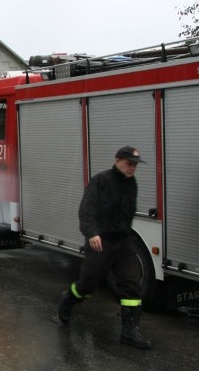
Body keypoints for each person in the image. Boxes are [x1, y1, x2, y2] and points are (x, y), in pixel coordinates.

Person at [57, 146, 153, 350]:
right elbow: (87, 209)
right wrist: (92, 233)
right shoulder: (101, 181)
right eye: (129, 163)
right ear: (117, 161)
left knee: (131, 284)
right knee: (87, 284)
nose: (132, 168)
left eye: (135, 165)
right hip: (101, 242)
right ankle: (69, 299)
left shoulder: (131, 184)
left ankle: (129, 332)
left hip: (124, 242)